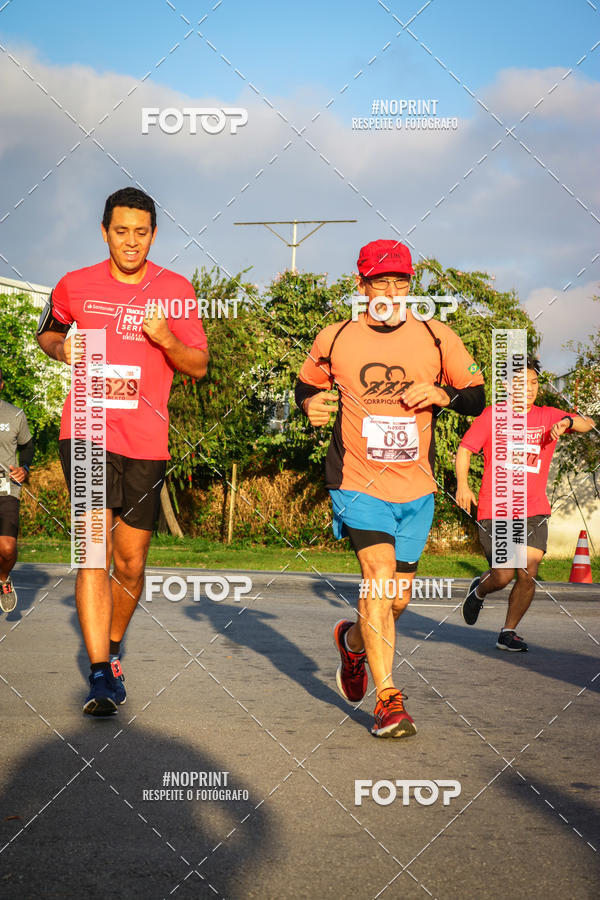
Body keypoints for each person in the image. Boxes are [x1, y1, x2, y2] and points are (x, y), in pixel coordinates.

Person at [296, 239, 485, 738]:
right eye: (382, 282)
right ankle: (388, 700)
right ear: (362, 286)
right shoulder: (335, 337)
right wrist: (310, 405)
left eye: (401, 282)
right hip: (357, 480)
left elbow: (477, 397)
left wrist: (444, 393)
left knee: (397, 600)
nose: (392, 291)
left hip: (417, 488)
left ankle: (353, 643)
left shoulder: (436, 336)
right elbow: (306, 385)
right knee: (377, 578)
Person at [37, 187, 209, 716]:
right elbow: (48, 332)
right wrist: (61, 347)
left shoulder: (176, 291)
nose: (130, 241)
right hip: (86, 430)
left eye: (140, 232)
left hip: (145, 441)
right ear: (104, 231)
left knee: (130, 563)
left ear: (153, 234)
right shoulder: (75, 284)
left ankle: (111, 652)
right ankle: (98, 677)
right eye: (120, 231)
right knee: (91, 554)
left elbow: (198, 365)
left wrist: (165, 339)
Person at [456, 356, 595, 651]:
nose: (529, 389)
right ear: (508, 386)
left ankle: (507, 632)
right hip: (496, 507)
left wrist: (568, 421)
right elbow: (466, 449)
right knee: (504, 574)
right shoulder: (494, 415)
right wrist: (463, 485)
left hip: (533, 509)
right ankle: (479, 591)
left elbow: (588, 423)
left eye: (533, 383)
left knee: (528, 571)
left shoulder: (548, 416)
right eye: (522, 383)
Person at [0, 368, 34, 613]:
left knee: (8, 548)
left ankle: (3, 579)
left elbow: (28, 446)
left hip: (6, 489)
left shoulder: (15, 414)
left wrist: (25, 468)